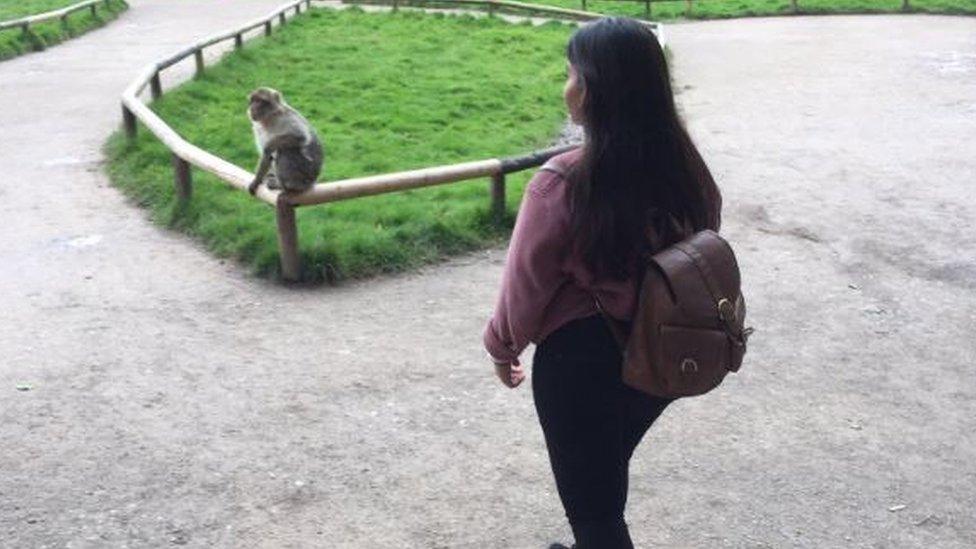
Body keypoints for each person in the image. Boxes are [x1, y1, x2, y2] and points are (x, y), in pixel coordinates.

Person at [482, 17, 723, 549]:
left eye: (571, 74)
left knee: (596, 515)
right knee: (602, 475)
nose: (565, 87)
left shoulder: (564, 182)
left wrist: (502, 347)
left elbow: (526, 285)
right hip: (662, 351)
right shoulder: (688, 171)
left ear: (593, 89)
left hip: (582, 362)